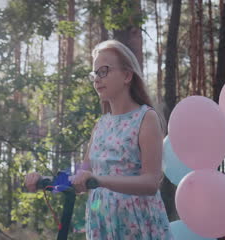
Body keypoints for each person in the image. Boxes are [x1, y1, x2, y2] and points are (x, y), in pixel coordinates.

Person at [24, 40, 173, 239]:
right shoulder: (101, 125)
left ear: (127, 75)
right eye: (95, 74)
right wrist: (45, 182)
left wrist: (99, 180)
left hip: (137, 224)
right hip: (102, 225)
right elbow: (81, 176)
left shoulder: (146, 118)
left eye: (103, 71)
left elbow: (151, 182)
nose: (97, 79)